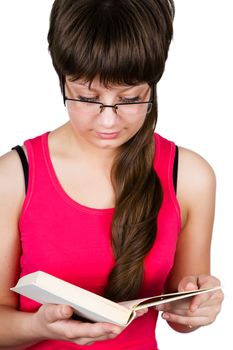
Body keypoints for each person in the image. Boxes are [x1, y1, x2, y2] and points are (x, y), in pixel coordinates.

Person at [0, 0, 224, 349]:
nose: (108, 121)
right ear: (62, 81)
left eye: (130, 98)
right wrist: (41, 326)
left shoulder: (190, 177)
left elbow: (180, 314)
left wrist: (196, 308)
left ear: (152, 86)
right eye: (88, 98)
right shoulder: (14, 177)